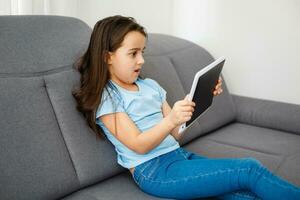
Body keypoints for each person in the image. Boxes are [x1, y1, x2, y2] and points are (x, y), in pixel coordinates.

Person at [72, 15, 300, 200]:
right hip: (153, 171)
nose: (141, 60)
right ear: (107, 57)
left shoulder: (150, 86)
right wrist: (171, 120)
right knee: (248, 169)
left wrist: (198, 101)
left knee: (242, 193)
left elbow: (176, 134)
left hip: (179, 156)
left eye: (143, 52)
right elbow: (138, 146)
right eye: (133, 53)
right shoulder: (108, 97)